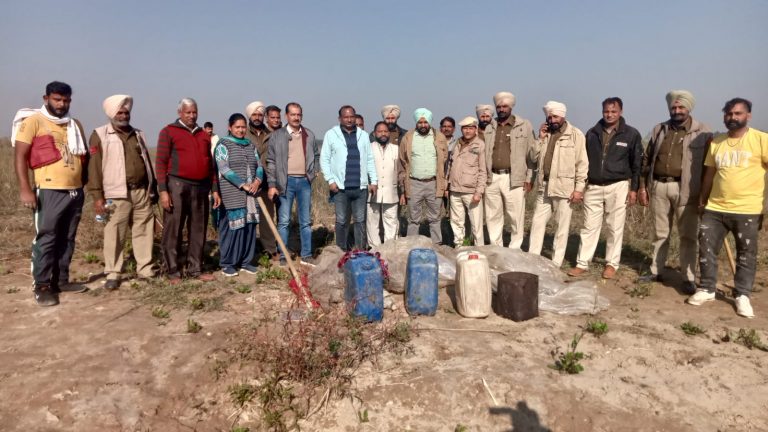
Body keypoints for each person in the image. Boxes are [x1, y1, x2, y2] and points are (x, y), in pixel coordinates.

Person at [688, 98, 767, 318]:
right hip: (715, 207)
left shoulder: (761, 140)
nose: (732, 117)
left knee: (746, 253)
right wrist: (703, 200)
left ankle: (742, 295)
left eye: (737, 114)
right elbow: (709, 176)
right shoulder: (717, 142)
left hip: (747, 209)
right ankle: (707, 288)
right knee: (706, 247)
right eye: (729, 114)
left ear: (748, 116)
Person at [12, 81, 88, 306]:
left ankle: (61, 280)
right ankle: (42, 285)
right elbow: (19, 157)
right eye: (57, 99)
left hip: (74, 191)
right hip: (48, 189)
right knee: (47, 237)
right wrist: (25, 189)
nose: (61, 104)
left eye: (65, 100)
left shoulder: (74, 124)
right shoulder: (33, 121)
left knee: (67, 238)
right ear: (46, 99)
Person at [638, 90, 712, 294]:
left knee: (688, 235)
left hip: (687, 189)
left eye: (681, 107)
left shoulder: (703, 131)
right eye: (674, 107)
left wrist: (706, 195)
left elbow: (710, 164)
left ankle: (688, 277)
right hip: (659, 186)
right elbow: (646, 159)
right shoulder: (659, 129)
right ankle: (656, 271)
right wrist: (643, 186)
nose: (677, 111)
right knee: (659, 233)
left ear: (689, 108)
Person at [87, 95, 157, 290]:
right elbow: (94, 168)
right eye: (120, 112)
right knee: (114, 233)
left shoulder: (138, 133)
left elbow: (147, 163)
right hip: (115, 193)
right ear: (111, 114)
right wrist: (97, 196)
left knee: (143, 230)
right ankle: (113, 273)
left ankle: (145, 270)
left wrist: (153, 188)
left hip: (141, 191)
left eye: (126, 112)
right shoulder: (100, 134)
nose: (124, 115)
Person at [567, 97, 642, 279]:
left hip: (618, 185)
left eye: (613, 111)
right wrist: (581, 185)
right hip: (593, 185)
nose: (609, 115)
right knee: (589, 226)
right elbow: (583, 162)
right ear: (602, 112)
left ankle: (611, 264)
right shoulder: (592, 133)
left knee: (614, 226)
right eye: (606, 111)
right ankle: (582, 263)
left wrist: (634, 189)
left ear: (620, 112)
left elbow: (637, 164)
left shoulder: (631, 134)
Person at [155, 98, 220, 283]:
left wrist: (214, 189)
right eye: (188, 112)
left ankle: (195, 269)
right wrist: (163, 191)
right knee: (173, 228)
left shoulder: (203, 135)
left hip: (200, 187)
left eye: (194, 112)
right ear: (180, 113)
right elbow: (160, 162)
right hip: (177, 185)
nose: (192, 116)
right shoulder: (168, 132)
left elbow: (211, 165)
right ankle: (172, 270)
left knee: (198, 229)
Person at [528, 101, 588, 268]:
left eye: (555, 116)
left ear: (563, 116)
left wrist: (579, 189)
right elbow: (532, 158)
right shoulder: (545, 135)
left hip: (565, 188)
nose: (552, 119)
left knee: (561, 227)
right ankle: (533, 259)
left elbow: (582, 164)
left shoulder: (575, 135)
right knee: (537, 223)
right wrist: (539, 138)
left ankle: (556, 263)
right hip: (545, 186)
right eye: (549, 116)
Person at [481, 92, 536, 249]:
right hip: (492, 177)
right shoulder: (490, 126)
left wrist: (530, 178)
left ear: (511, 107)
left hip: (514, 177)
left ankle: (514, 249)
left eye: (505, 106)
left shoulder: (524, 125)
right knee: (492, 216)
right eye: (498, 106)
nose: (501, 109)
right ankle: (496, 248)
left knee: (515, 216)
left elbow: (531, 155)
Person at [266, 102, 319, 264]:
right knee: (284, 221)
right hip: (285, 182)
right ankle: (283, 255)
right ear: (286, 116)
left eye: (299, 115)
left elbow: (316, 155)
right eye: (293, 114)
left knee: (305, 221)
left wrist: (313, 172)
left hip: (304, 182)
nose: (296, 118)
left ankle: (307, 254)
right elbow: (271, 161)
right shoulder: (277, 136)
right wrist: (272, 184)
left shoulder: (308, 134)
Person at [321, 106, 378, 251]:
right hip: (340, 188)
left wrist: (374, 181)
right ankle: (340, 252)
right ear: (340, 118)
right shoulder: (331, 134)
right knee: (341, 221)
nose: (349, 119)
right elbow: (324, 159)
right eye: (346, 117)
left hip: (360, 187)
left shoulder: (363, 135)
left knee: (360, 220)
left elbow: (370, 159)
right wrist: (330, 180)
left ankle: (360, 250)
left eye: (352, 116)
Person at [215, 113, 263, 277]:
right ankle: (228, 263)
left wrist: (257, 181)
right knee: (233, 228)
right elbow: (224, 168)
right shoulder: (223, 145)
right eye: (237, 127)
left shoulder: (250, 145)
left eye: (243, 127)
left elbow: (259, 165)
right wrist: (242, 184)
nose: (241, 130)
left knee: (249, 226)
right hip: (232, 193)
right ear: (230, 127)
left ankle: (246, 261)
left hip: (252, 194)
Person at [398, 108, 449, 244]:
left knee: (435, 217)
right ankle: (411, 245)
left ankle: (436, 246)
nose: (423, 125)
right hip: (414, 183)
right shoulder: (408, 137)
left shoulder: (439, 137)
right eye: (420, 122)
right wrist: (403, 186)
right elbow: (402, 162)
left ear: (430, 122)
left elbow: (445, 160)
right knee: (414, 218)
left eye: (425, 122)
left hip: (434, 182)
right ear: (416, 122)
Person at [245, 101, 278, 261]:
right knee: (249, 217)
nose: (257, 117)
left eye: (260, 114)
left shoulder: (270, 133)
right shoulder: (243, 133)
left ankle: (270, 249)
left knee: (267, 217)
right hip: (248, 183)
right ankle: (249, 251)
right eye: (254, 114)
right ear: (249, 116)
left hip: (268, 181)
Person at [447, 117, 487, 247]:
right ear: (461, 129)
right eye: (465, 128)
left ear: (475, 129)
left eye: (470, 128)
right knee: (457, 221)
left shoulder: (480, 145)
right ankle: (460, 246)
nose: (467, 131)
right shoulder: (456, 143)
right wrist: (448, 186)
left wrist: (479, 192)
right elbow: (450, 165)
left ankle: (479, 249)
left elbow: (483, 170)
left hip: (471, 190)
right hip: (455, 189)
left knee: (476, 223)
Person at [367, 121, 400, 246]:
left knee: (391, 221)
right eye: (380, 131)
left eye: (385, 131)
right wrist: (368, 184)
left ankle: (389, 249)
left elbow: (400, 170)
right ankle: (374, 249)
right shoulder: (369, 148)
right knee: (372, 221)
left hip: (391, 191)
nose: (383, 134)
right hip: (372, 190)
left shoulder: (396, 149)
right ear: (375, 133)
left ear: (389, 133)